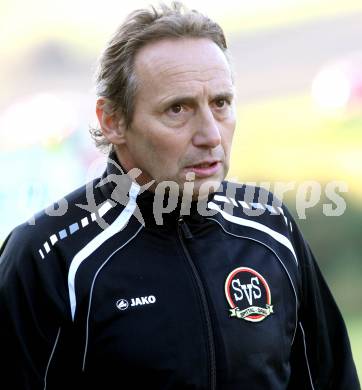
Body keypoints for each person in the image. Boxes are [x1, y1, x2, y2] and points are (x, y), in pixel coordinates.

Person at [0, 2, 360, 389]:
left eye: (221, 103)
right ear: (113, 121)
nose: (210, 135)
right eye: (177, 109)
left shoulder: (270, 226)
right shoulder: (48, 256)